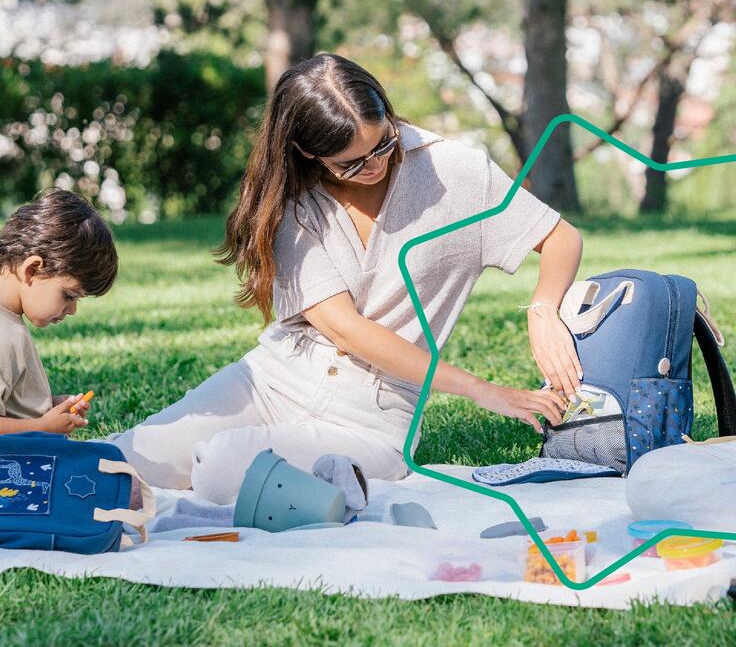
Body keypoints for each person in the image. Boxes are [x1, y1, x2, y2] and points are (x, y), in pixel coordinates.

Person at [111, 53, 583, 503]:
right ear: (305, 150)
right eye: (350, 163)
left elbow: (560, 236)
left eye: (382, 144)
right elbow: (343, 327)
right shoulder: (292, 199)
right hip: (274, 381)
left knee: (219, 470)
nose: (373, 166)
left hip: (372, 419)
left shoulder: (455, 171)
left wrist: (543, 309)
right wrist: (482, 389)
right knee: (120, 460)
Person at [0, 189, 118, 510]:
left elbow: (2, 406)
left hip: (7, 476)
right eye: (69, 295)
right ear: (32, 269)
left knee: (112, 478)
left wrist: (48, 407)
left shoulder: (1, 322)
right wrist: (42, 426)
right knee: (109, 490)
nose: (71, 310)